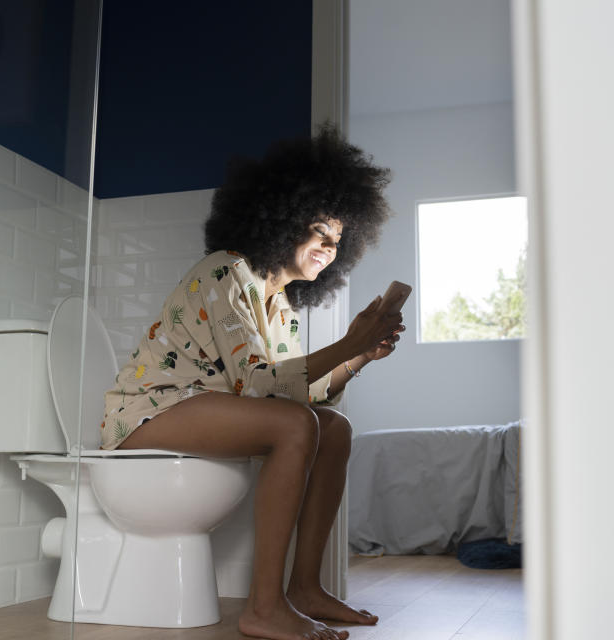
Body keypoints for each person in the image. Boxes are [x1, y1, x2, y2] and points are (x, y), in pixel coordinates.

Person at [102, 125, 404, 640]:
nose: (329, 249)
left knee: (334, 429)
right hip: (144, 413)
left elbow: (293, 392)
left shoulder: (280, 305)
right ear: (282, 220)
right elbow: (260, 384)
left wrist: (359, 358)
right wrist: (349, 343)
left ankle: (305, 586)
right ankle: (265, 606)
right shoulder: (227, 272)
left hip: (197, 409)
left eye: (337, 242)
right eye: (318, 234)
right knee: (294, 427)